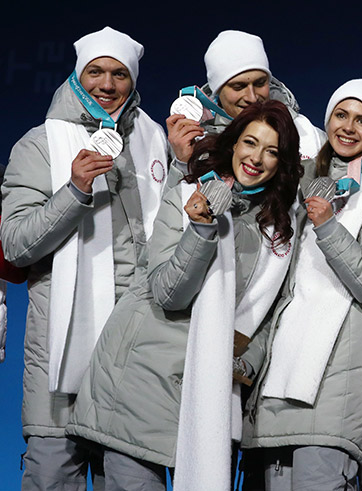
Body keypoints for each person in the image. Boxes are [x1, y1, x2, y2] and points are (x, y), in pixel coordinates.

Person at [66, 100, 302, 490]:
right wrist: (201, 231)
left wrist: (247, 362)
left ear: (283, 162)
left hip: (212, 394)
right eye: (249, 142)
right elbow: (167, 293)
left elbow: (269, 317)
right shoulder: (186, 195)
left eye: (272, 150)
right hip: (142, 380)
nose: (256, 157)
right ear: (233, 144)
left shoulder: (279, 231)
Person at [0, 27, 168, 490]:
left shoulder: (156, 141)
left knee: (136, 479)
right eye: (95, 72)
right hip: (63, 352)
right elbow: (16, 244)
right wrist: (73, 190)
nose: (107, 85)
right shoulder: (40, 144)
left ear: (133, 81)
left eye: (119, 74)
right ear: (78, 75)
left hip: (136, 347)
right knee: (53, 477)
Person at [244, 79, 362, 490]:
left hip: (334, 384)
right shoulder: (302, 187)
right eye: (341, 115)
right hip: (279, 384)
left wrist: (330, 229)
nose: (348, 127)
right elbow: (281, 291)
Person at [166, 30, 323, 184]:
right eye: (239, 86)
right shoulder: (190, 141)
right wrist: (183, 165)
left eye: (260, 83)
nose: (252, 97)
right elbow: (172, 206)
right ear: (218, 91)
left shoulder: (306, 133)